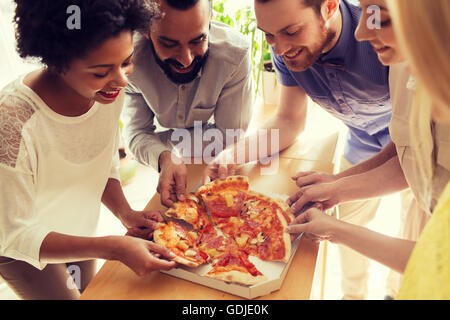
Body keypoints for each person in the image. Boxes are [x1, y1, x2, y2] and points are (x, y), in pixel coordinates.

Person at [205, 0, 395, 300]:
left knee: (416, 232)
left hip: (414, 142)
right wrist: (233, 154)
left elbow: (410, 148)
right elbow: (289, 120)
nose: (279, 48)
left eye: (291, 31)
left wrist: (341, 184)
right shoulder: (287, 50)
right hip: (360, 142)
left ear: (330, 6)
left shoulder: (382, 32)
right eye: (269, 36)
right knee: (348, 229)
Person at [0, 0, 176, 300]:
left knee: (91, 293)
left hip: (78, 228)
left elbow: (98, 160)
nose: (122, 80)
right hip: (23, 247)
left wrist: (126, 213)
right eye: (100, 71)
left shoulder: (106, 92)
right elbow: (16, 234)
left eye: (126, 62)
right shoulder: (13, 123)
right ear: (57, 62)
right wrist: (112, 247)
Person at [286, 0, 450, 299]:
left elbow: (439, 262)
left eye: (381, 20)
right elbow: (408, 146)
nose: (361, 32)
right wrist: (338, 184)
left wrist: (337, 230)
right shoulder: (402, 60)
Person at [122, 0, 254, 208]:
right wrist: (165, 158)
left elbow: (230, 136)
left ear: (210, 21)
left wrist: (165, 146)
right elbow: (136, 134)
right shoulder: (127, 60)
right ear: (147, 31)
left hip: (210, 165)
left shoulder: (235, 55)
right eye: (169, 43)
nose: (186, 60)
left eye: (198, 40)